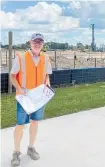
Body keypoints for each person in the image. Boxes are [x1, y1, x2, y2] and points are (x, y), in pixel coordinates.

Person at [10, 33, 52, 166]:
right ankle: (16, 152)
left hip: (39, 96)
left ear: (43, 44)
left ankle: (31, 148)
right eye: (35, 41)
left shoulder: (46, 58)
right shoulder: (21, 57)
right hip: (24, 96)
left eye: (40, 42)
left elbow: (46, 75)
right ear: (30, 42)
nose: (37, 44)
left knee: (34, 122)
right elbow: (12, 76)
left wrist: (47, 81)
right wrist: (19, 88)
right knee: (20, 125)